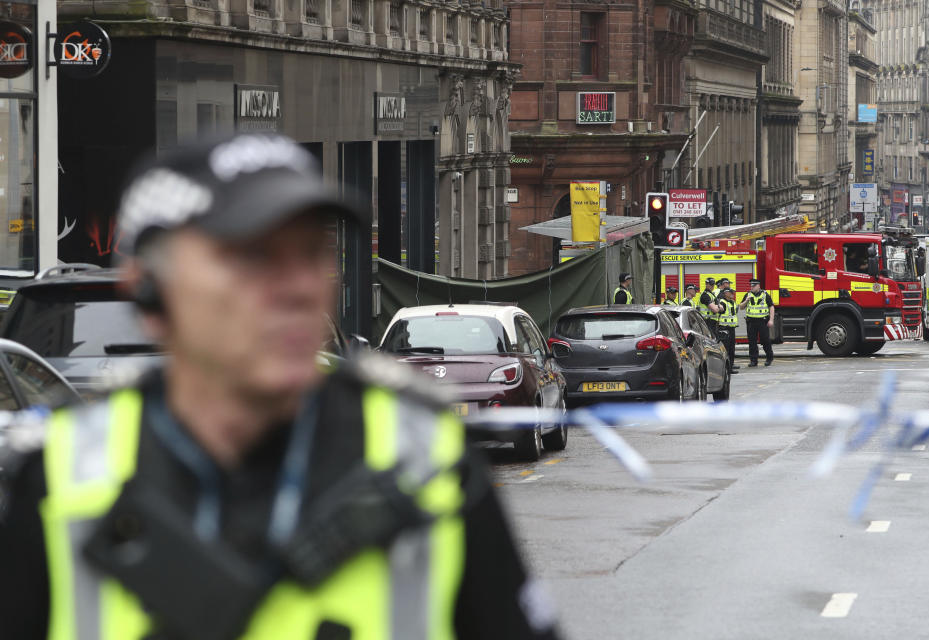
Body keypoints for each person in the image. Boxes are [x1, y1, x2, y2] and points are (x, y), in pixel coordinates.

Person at [0, 134, 559, 640]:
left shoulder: (425, 461)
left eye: (312, 254)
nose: (298, 288)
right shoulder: (62, 477)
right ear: (148, 295)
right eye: (253, 257)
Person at [740, 277, 775, 367]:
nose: (751, 287)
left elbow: (771, 307)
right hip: (751, 322)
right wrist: (746, 300)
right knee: (752, 342)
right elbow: (741, 307)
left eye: (754, 286)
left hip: (762, 321)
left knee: (765, 340)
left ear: (758, 286)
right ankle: (753, 360)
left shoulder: (765, 294)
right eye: (751, 286)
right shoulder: (747, 295)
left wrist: (771, 320)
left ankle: (769, 358)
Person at [716, 287, 740, 373]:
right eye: (731, 293)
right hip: (724, 328)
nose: (733, 294)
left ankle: (731, 365)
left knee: (731, 348)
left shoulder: (732, 302)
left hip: (731, 328)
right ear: (726, 293)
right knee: (726, 349)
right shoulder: (722, 302)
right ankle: (727, 368)